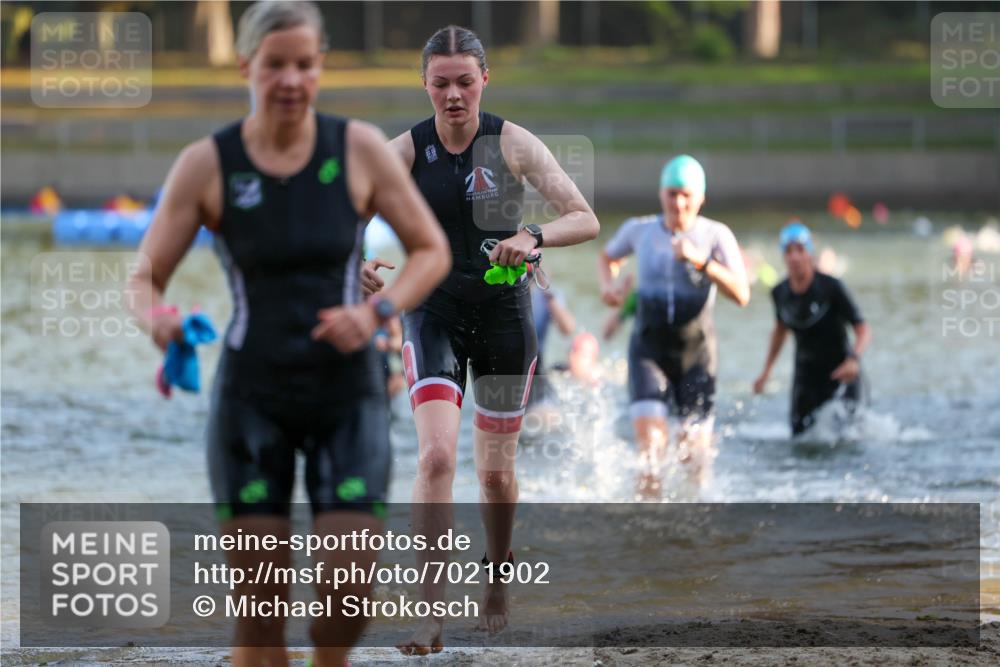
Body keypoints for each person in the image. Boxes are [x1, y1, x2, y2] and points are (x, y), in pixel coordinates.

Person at [126, 3, 450, 666]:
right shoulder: (206, 164)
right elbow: (144, 277)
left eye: (305, 64)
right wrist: (158, 322)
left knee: (346, 600)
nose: (291, 80)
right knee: (261, 618)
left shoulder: (357, 148)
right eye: (275, 65)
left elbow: (430, 251)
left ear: (320, 67)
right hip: (253, 397)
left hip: (347, 393)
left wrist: (378, 314)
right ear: (247, 66)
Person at [368, 24, 599, 653]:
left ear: (484, 81)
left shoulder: (514, 144)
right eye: (440, 84)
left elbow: (585, 217)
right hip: (433, 311)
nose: (452, 96)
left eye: (464, 82)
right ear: (425, 84)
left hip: (503, 318)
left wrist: (535, 237)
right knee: (437, 458)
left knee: (495, 477)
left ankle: (496, 577)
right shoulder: (405, 151)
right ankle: (431, 613)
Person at [597, 155, 749, 498]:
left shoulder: (715, 234)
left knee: (694, 460)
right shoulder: (639, 230)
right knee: (651, 451)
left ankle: (690, 538)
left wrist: (702, 261)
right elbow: (607, 258)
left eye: (686, 195)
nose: (678, 203)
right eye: (671, 194)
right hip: (648, 350)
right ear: (661, 193)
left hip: (697, 353)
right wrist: (609, 288)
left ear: (700, 197)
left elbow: (742, 294)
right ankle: (651, 533)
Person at [753, 222, 871, 437]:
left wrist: (854, 360)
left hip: (842, 372)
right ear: (783, 256)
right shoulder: (779, 292)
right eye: (788, 251)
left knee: (850, 437)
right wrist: (766, 371)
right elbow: (780, 331)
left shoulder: (831, 287)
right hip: (806, 376)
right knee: (799, 438)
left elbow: (862, 328)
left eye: (800, 250)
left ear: (809, 253)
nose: (795, 257)